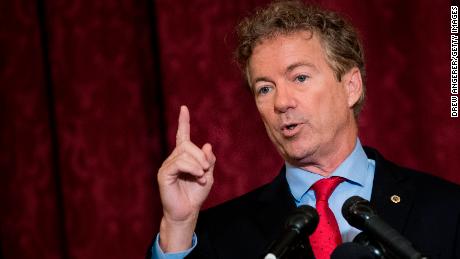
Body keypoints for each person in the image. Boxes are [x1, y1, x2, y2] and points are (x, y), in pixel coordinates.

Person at [149, 1, 460, 258]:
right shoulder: (218, 233)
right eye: (265, 89)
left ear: (350, 86)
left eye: (299, 78)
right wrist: (178, 225)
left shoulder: (445, 208)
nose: (281, 103)